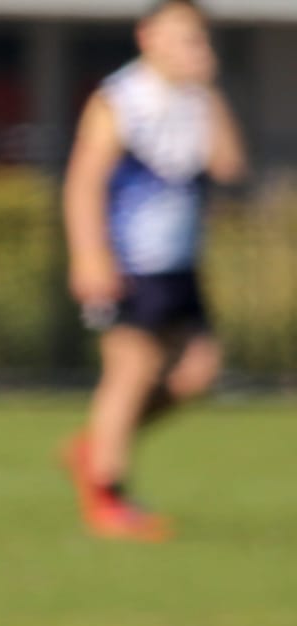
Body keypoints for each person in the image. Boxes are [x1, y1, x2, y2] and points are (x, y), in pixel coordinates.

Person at [61, 0, 246, 542]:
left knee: (197, 373)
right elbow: (83, 182)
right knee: (132, 369)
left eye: (199, 40)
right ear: (148, 37)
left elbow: (230, 165)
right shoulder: (120, 99)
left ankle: (95, 448)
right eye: (183, 38)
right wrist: (89, 254)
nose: (194, 49)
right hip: (127, 262)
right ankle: (107, 496)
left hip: (179, 265)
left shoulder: (196, 99)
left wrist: (210, 91)